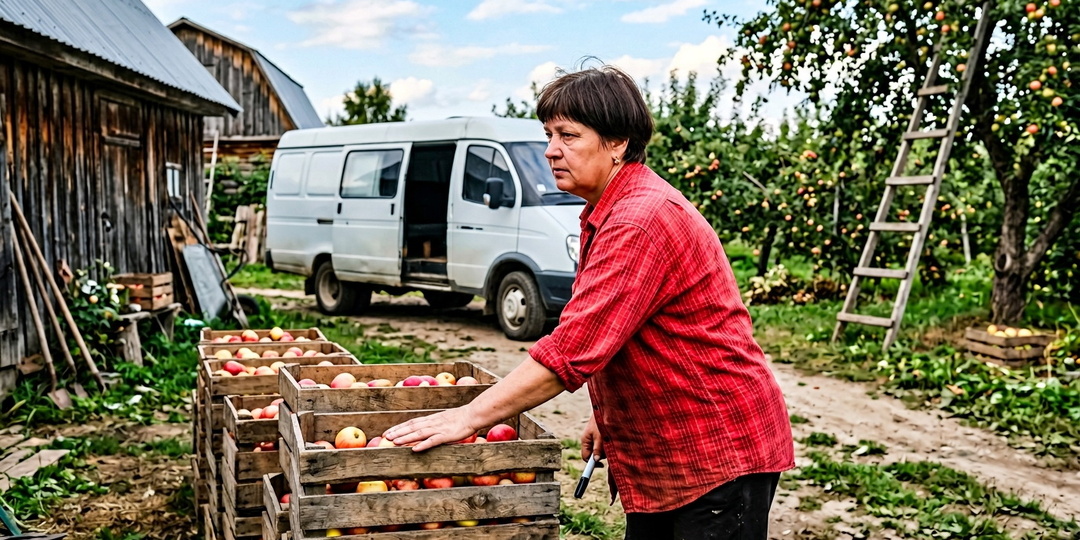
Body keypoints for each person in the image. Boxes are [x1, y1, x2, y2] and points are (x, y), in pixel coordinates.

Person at [384, 65, 794, 539]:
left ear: (617, 142)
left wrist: (467, 416)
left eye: (568, 135)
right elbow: (616, 328)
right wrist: (609, 416)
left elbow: (571, 349)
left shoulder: (639, 219)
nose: (550, 150)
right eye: (548, 134)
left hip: (714, 448)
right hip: (670, 447)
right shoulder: (609, 209)